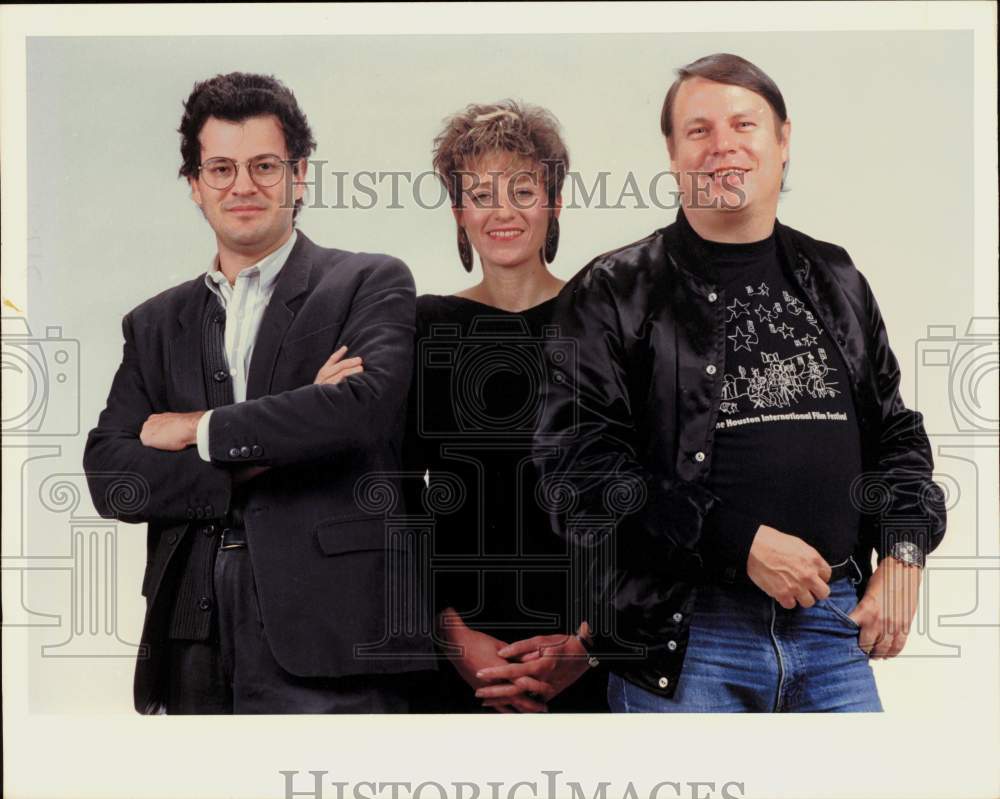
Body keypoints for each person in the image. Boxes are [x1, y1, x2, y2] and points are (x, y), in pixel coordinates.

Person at [533, 54, 946, 712]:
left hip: (833, 625)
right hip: (687, 633)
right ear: (672, 153)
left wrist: (902, 547)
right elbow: (576, 473)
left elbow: (896, 431)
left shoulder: (836, 277)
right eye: (698, 130)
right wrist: (737, 541)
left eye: (743, 124)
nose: (722, 145)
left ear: (783, 140)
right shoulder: (613, 291)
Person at [83, 71, 435, 714]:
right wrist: (287, 432)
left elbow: (360, 413)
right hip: (192, 631)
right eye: (220, 168)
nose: (242, 185)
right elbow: (112, 477)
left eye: (264, 165)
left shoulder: (368, 282)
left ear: (300, 176)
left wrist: (195, 430)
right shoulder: (154, 322)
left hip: (337, 632)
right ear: (194, 185)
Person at [403, 100, 607, 713]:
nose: (503, 212)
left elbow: (643, 490)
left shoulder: (610, 322)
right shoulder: (423, 326)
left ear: (555, 202)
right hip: (459, 645)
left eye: (523, 190)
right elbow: (403, 488)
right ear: (459, 211)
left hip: (591, 643)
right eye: (481, 194)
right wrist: (453, 635)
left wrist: (587, 646)